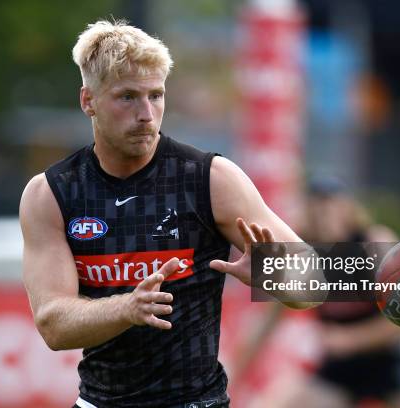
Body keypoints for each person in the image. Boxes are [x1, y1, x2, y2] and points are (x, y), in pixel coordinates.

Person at [19, 19, 316, 408]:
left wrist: (273, 273)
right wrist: (128, 308)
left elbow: (314, 284)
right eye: (127, 97)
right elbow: (53, 325)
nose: (146, 113)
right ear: (88, 100)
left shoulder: (211, 179)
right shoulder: (52, 194)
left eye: (155, 95)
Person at [232, 176, 400, 408]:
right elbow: (266, 324)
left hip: (387, 363)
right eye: (316, 205)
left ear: (348, 207)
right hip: (338, 370)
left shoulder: (374, 243)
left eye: (330, 203)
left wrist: (350, 340)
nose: (323, 212)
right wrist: (233, 378)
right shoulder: (304, 256)